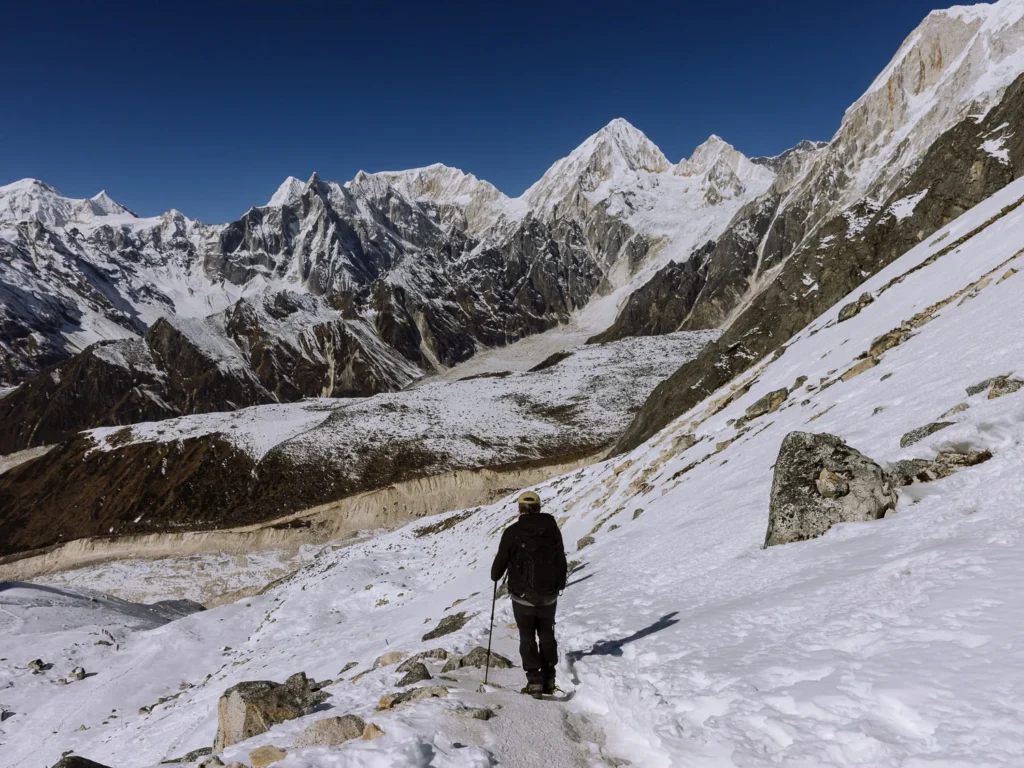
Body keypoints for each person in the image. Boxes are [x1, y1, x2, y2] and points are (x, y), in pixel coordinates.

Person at [490, 489, 568, 697]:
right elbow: (560, 558)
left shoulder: (513, 532)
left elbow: (498, 566)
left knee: (527, 636)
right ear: (539, 508)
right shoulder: (552, 529)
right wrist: (560, 584)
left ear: (519, 509)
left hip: (522, 596)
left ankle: (534, 680)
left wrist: (495, 575)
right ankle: (549, 678)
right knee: (546, 633)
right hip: (549, 594)